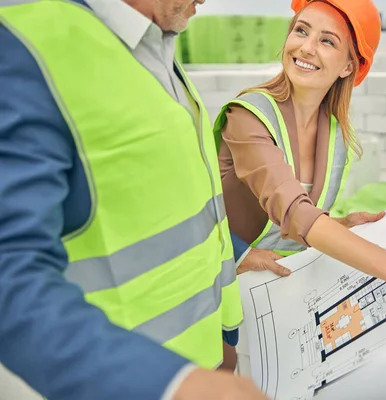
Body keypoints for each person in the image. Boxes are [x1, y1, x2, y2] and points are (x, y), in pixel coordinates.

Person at [0, 0, 267, 398]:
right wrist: (170, 383)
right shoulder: (25, 50)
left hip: (204, 360)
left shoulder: (158, 50)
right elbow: (11, 274)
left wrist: (225, 337)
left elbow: (179, 201)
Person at [215, 0, 386, 316]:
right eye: (301, 30)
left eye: (326, 40)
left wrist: (340, 224)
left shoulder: (334, 132)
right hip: (221, 283)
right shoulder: (249, 116)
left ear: (349, 66)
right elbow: (293, 212)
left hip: (277, 287)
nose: (306, 47)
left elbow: (294, 222)